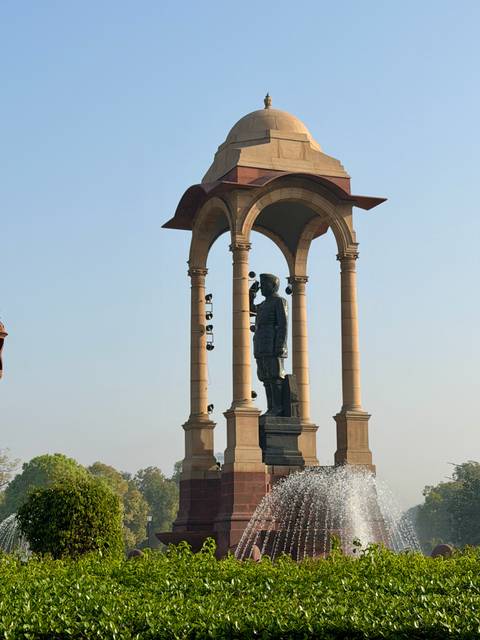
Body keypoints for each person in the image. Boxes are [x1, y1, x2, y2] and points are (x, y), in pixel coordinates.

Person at [249, 273, 288, 416]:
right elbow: (250, 310)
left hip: (273, 344)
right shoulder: (264, 304)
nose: (262, 288)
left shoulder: (279, 301)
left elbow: (283, 325)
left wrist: (280, 345)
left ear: (273, 286)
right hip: (261, 344)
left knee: (275, 376)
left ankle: (277, 407)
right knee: (265, 376)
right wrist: (251, 294)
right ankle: (271, 407)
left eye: (264, 285)